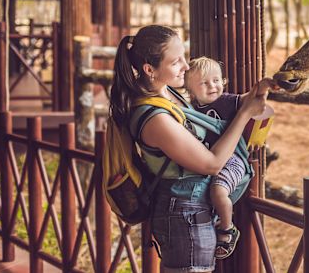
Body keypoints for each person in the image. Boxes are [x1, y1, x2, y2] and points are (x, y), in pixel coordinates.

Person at [109, 25, 269, 272]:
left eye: (184, 56)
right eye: (176, 62)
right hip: (184, 216)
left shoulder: (168, 92)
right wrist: (246, 113)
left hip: (194, 209)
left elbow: (211, 106)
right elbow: (211, 163)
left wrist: (249, 98)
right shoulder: (154, 117)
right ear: (149, 69)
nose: (186, 66)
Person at [184, 57, 275, 259]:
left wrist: (264, 85)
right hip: (207, 159)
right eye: (204, 83)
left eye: (216, 80)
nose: (212, 86)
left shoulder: (225, 101)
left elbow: (250, 97)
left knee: (218, 191)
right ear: (191, 90)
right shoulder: (190, 109)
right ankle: (215, 219)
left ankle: (227, 228)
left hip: (232, 159)